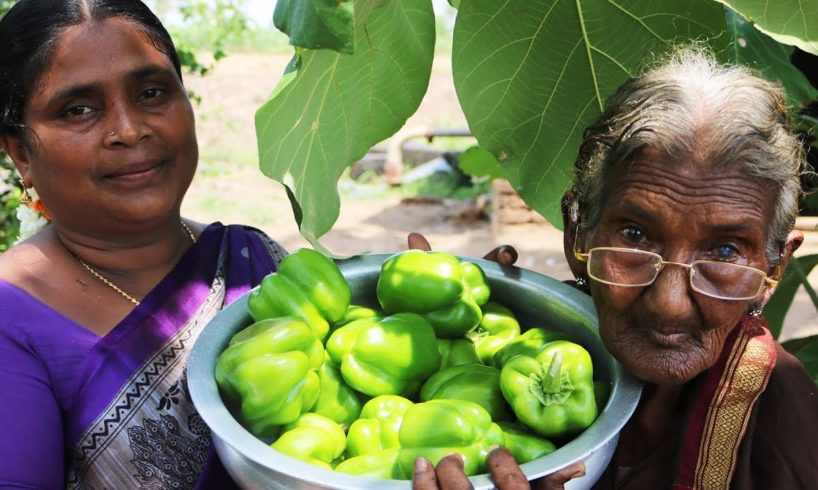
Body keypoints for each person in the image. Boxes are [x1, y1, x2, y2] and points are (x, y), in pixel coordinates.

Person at [412, 48, 818, 489]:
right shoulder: (515, 346)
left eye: (723, 252)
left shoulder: (782, 420)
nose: (669, 303)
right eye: (634, 236)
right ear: (577, 236)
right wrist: (434, 325)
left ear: (773, 272)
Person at [0, 1, 290, 487]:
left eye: (152, 92)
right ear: (21, 153)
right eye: (79, 109)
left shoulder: (252, 263)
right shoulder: (11, 317)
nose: (130, 130)